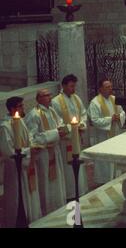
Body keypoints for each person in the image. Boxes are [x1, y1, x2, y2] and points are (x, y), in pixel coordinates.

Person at [0, 97, 42, 226]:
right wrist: (29, 151)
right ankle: (17, 220)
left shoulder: (20, 121)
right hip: (14, 168)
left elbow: (28, 137)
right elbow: (8, 151)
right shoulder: (5, 127)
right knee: (17, 196)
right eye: (20, 106)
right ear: (13, 109)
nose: (23, 108)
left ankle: (31, 217)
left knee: (29, 193)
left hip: (25, 162)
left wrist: (33, 146)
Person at [25, 89, 67, 214]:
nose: (49, 97)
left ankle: (57, 204)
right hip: (43, 154)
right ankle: (47, 207)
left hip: (54, 149)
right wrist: (55, 133)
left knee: (57, 178)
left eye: (50, 95)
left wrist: (63, 129)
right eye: (46, 95)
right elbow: (32, 138)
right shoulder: (34, 115)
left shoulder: (51, 110)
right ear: (38, 99)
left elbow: (59, 123)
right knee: (46, 180)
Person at [51, 74, 89, 200]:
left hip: (77, 137)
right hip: (66, 140)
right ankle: (70, 193)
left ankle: (81, 189)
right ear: (64, 86)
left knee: (78, 161)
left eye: (74, 86)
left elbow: (83, 113)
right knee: (68, 167)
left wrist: (82, 124)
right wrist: (70, 128)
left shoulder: (76, 98)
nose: (74, 89)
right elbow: (57, 121)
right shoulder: (56, 101)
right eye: (71, 86)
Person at [87, 79, 126, 185]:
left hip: (115, 133)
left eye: (110, 86)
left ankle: (115, 176)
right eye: (107, 87)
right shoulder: (95, 103)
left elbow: (122, 112)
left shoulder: (114, 99)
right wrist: (110, 119)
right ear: (100, 89)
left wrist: (120, 116)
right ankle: (103, 179)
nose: (110, 89)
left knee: (115, 155)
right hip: (103, 136)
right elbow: (94, 120)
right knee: (104, 159)